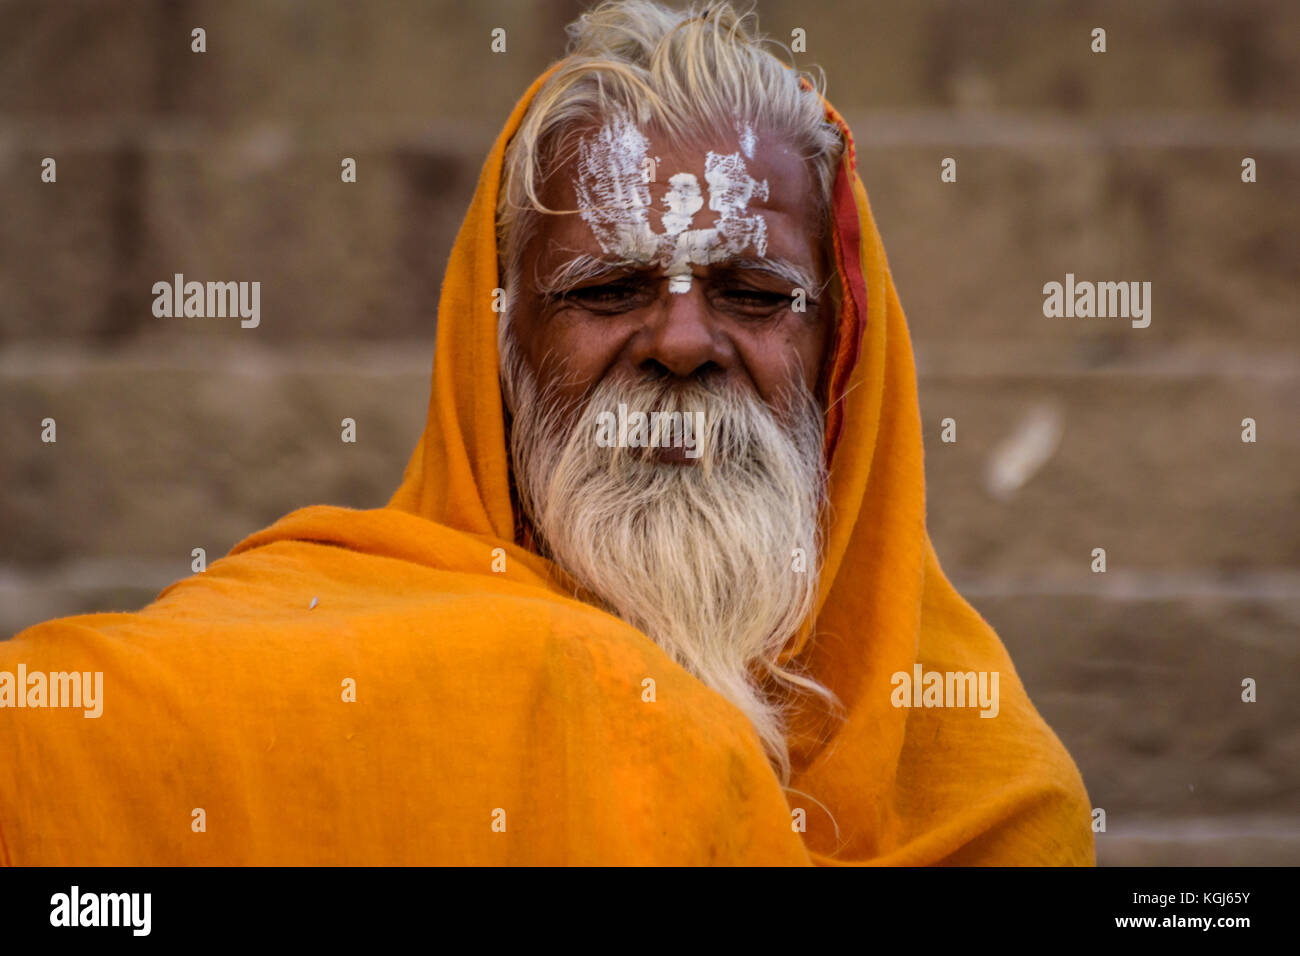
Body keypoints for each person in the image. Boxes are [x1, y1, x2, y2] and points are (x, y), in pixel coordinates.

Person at [0, 0, 1093, 865]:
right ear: (499, 349)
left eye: (755, 293)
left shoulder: (987, 793)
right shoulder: (335, 644)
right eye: (607, 287)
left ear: (844, 354)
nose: (679, 341)